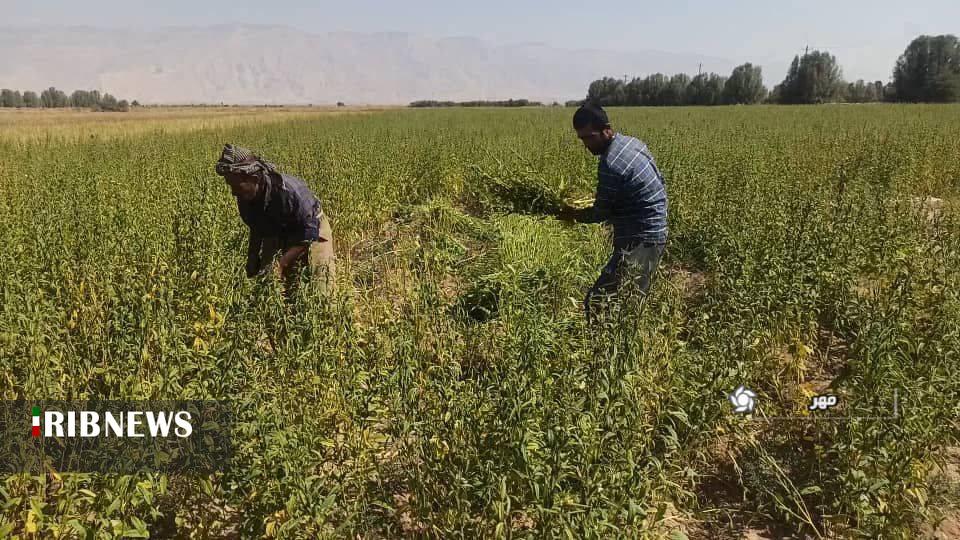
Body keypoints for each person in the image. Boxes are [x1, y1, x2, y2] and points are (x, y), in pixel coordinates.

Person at [559, 103, 668, 320]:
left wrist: (570, 214)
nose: (586, 145)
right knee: (631, 297)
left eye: (589, 137)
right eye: (582, 139)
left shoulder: (610, 164)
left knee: (598, 300)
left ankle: (604, 348)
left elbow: (599, 213)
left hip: (641, 240)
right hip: (656, 231)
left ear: (606, 129)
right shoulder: (634, 143)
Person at [214, 144, 335, 292]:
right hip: (277, 230)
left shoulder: (290, 192)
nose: (233, 192)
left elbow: (309, 234)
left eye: (237, 186)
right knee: (270, 284)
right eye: (230, 186)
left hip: (311, 229)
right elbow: (256, 228)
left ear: (254, 178)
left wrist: (281, 264)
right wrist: (252, 259)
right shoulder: (245, 197)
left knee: (321, 287)